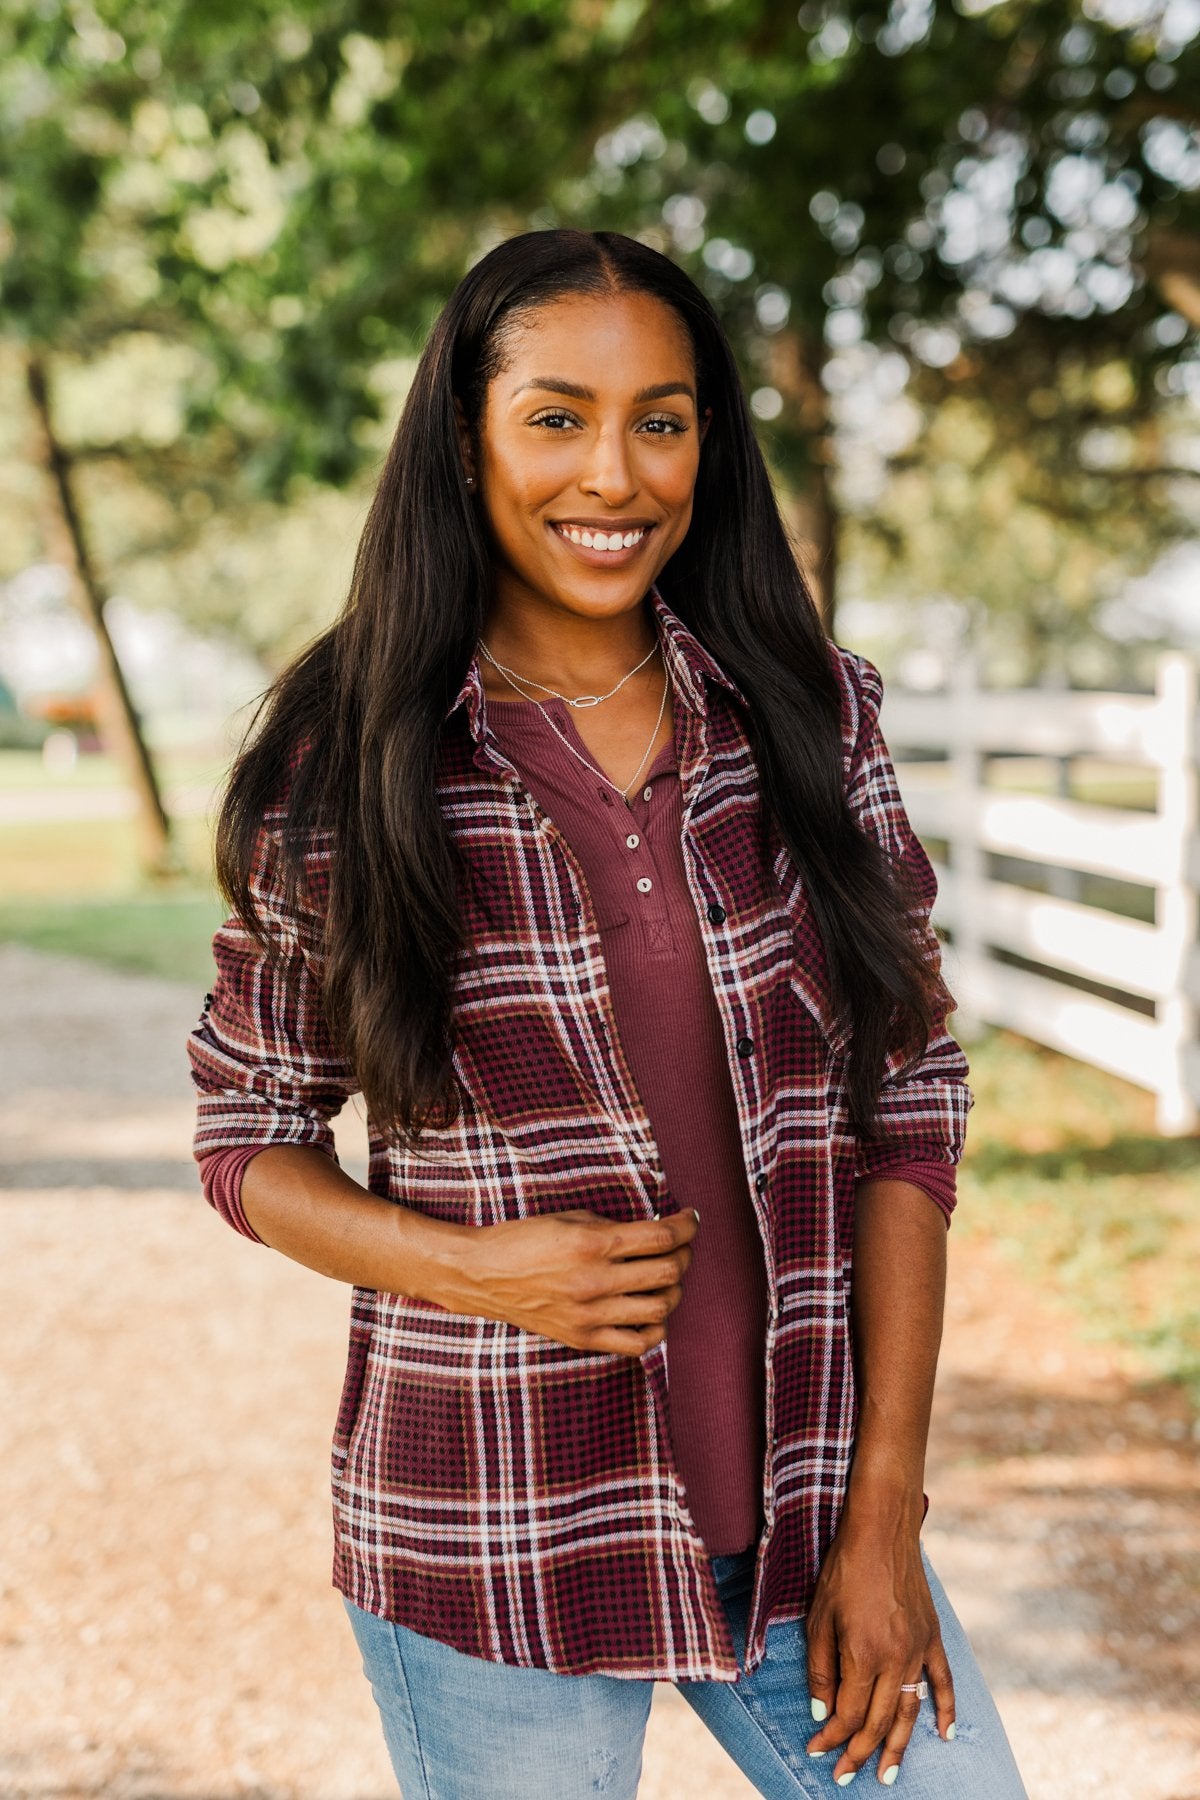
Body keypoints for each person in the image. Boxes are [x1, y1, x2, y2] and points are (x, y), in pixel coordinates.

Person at [188, 228, 1027, 1799]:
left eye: (663, 418)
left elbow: (910, 1117)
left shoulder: (809, 714)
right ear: (466, 437)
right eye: (557, 417)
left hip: (806, 1525)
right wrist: (471, 1268)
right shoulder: (339, 766)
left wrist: (885, 1517)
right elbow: (248, 1137)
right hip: (496, 1537)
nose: (616, 474)